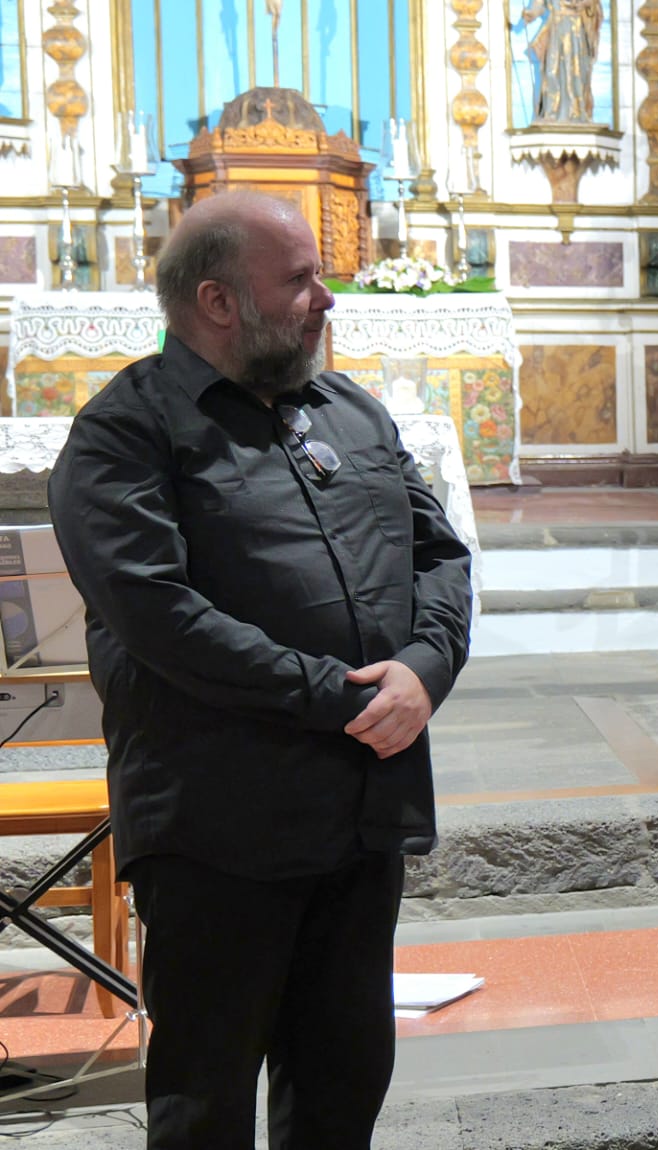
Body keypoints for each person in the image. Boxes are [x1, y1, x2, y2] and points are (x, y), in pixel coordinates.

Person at [48, 190, 472, 1149]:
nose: (328, 299)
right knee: (207, 1100)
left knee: (343, 1082)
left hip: (360, 809)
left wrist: (422, 670)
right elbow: (159, 617)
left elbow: (439, 553)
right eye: (301, 281)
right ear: (218, 301)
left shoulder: (349, 410)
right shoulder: (124, 434)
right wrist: (339, 698)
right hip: (218, 822)